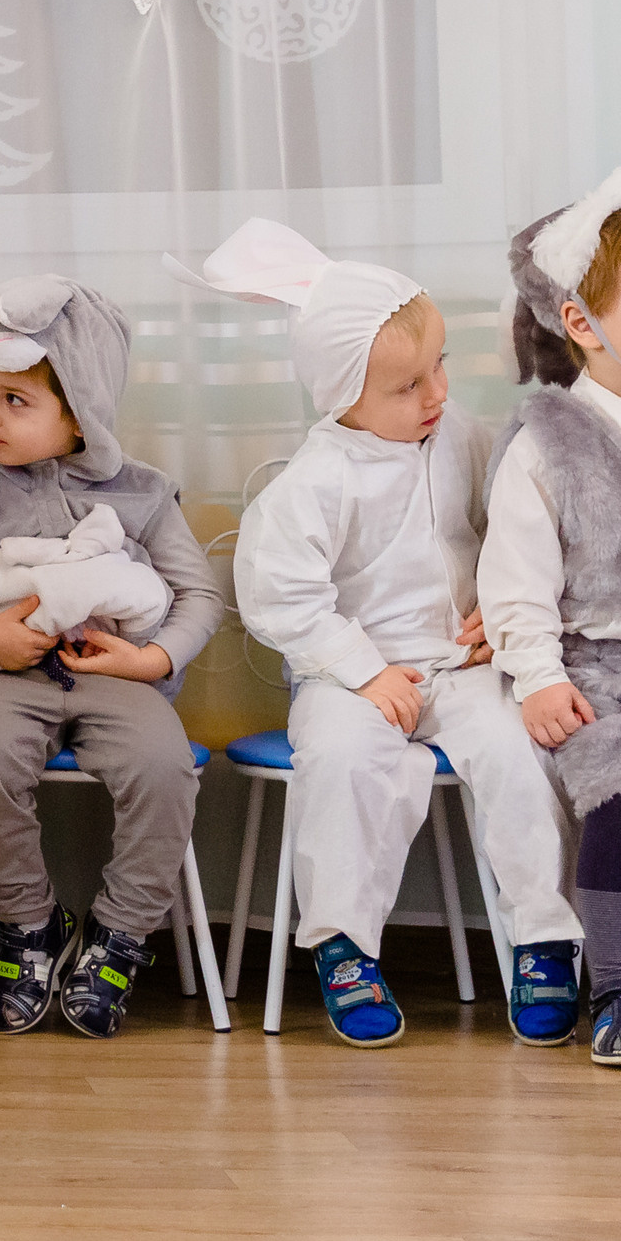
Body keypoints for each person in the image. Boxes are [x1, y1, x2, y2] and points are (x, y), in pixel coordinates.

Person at [181, 220, 582, 1048]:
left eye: (439, 365)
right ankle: (344, 945)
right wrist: (364, 671)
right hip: (350, 678)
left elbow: (508, 527)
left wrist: (498, 611)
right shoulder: (314, 482)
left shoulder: (458, 435)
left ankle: (546, 936)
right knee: (341, 761)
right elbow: (282, 599)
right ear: (341, 396)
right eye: (406, 385)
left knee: (520, 747)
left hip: (461, 665)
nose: (435, 392)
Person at [0, 276, 223, 1038]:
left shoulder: (144, 493)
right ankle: (29, 923)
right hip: (2, 677)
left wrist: (151, 661)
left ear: (80, 410)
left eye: (15, 399)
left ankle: (120, 934)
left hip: (114, 676)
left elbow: (199, 596)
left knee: (163, 767)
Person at [481, 165, 621, 1065]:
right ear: (581, 322)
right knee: (618, 786)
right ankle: (615, 986)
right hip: (593, 664)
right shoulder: (547, 443)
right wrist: (537, 676)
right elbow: (516, 584)